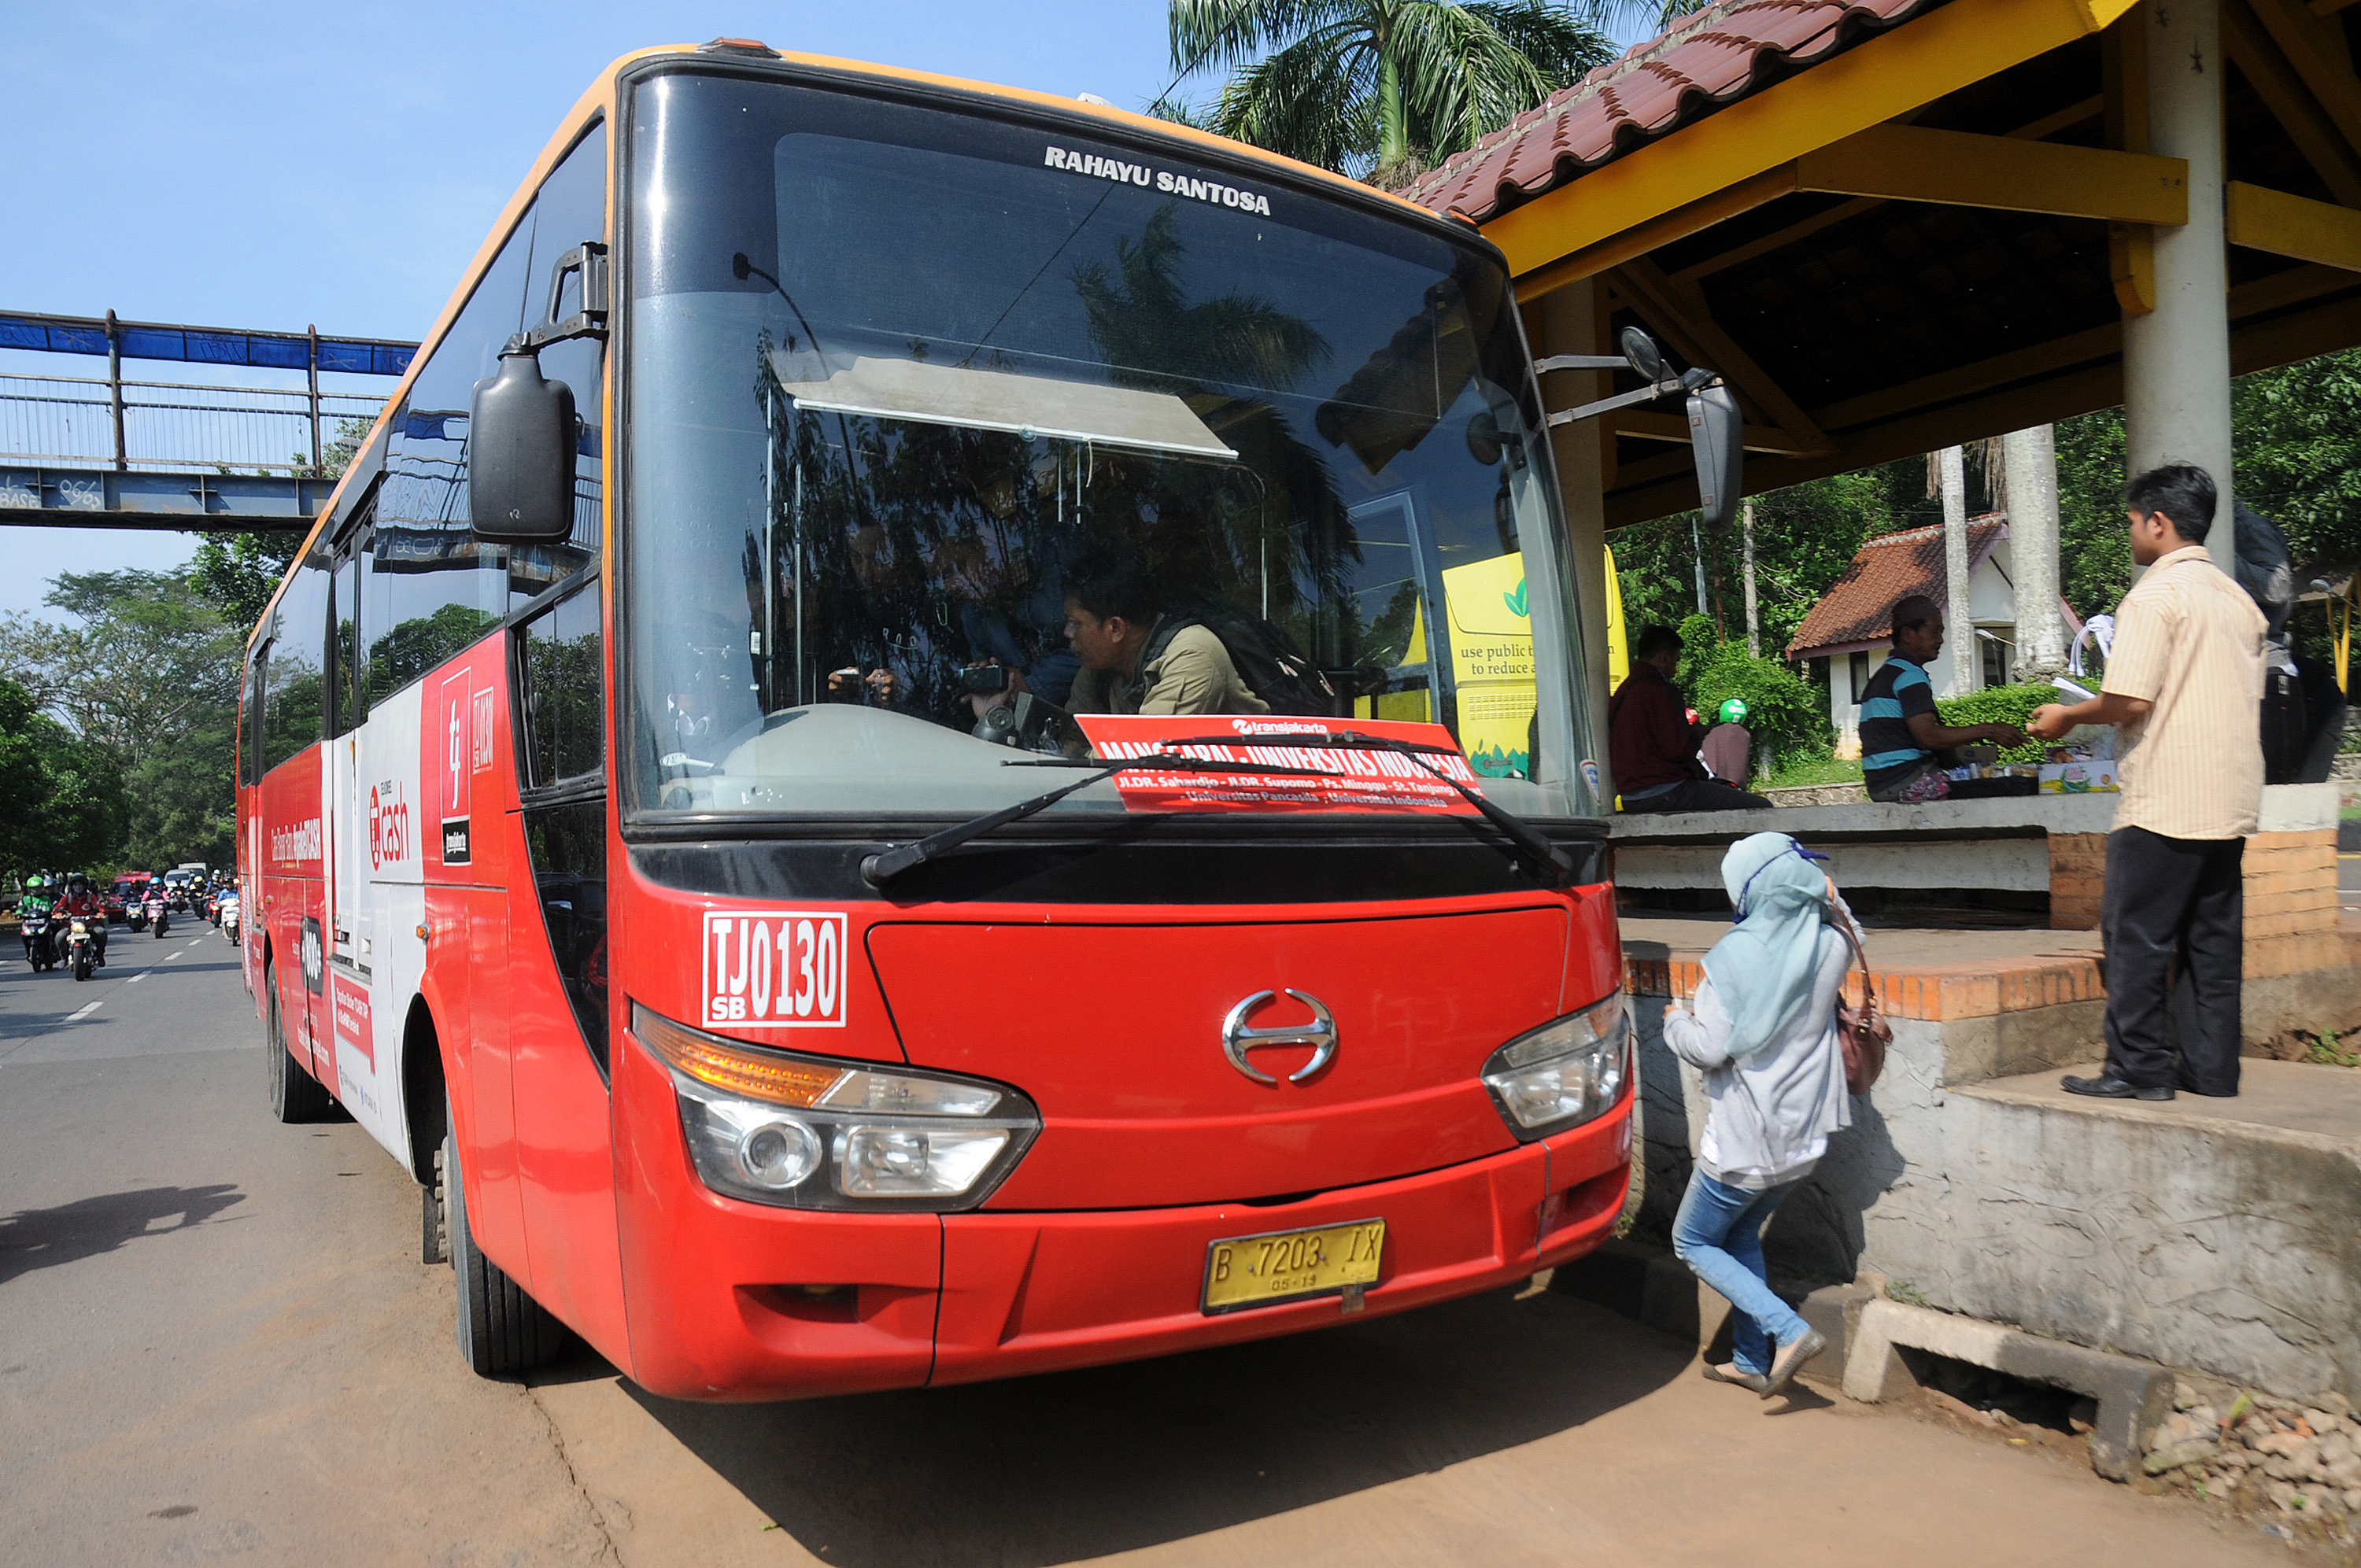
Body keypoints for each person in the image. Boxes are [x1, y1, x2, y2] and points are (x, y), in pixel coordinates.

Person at [2030, 463, 2265, 1100]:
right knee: (2211, 944)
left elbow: (2128, 698)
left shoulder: (2154, 597)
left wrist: (2066, 716)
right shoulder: (2238, 599)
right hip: (2232, 798)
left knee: (2134, 935)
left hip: (2167, 795)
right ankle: (2212, 1072)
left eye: (2133, 520)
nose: (2130, 531)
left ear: (2158, 523)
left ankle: (2139, 1069)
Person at [1660, 833, 1853, 1398]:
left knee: (1691, 1242)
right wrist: (1820, 888)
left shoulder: (1727, 963)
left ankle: (1789, 1332)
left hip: (1745, 1142)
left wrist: (1674, 1019)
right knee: (1742, 1234)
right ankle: (1749, 1359)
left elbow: (1709, 1048)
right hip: (1805, 1138)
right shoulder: (1830, 945)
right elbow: (1849, 920)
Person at [1857, 596, 2028, 802]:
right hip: (1906, 781)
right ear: (1909, 634)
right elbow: (1928, 737)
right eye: (1934, 632)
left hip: (1882, 785)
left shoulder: (1883, 676)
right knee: (2006, 789)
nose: (1940, 640)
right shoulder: (1909, 675)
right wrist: (1989, 730)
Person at [1062, 568, 1270, 717]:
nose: (1067, 633)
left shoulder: (1192, 655)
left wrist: (1078, 756)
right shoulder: (1100, 668)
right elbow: (1068, 739)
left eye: (1076, 624)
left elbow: (1144, 747)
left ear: (1116, 628)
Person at [1609, 626, 1768, 812]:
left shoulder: (1623, 691)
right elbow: (1677, 748)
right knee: (1761, 807)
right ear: (1665, 657)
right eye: (1676, 661)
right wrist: (1696, 734)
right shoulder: (1661, 691)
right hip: (1666, 790)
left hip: (1630, 795)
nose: (1676, 670)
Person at [54, 873, 106, 968]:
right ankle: (64, 957)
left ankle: (99, 955)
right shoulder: (67, 898)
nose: (78, 887)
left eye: (80, 884)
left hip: (89, 925)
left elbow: (99, 907)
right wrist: (58, 914)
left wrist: (100, 913)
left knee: (101, 932)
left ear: (85, 885)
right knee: (59, 937)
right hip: (71, 926)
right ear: (72, 886)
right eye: (75, 885)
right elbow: (58, 909)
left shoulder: (91, 897)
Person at [1700, 696, 1753, 786]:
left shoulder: (1716, 732)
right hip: (1738, 783)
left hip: (1717, 782)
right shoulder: (1745, 735)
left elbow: (1706, 756)